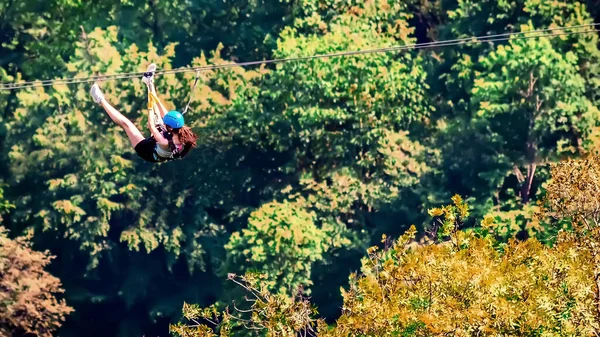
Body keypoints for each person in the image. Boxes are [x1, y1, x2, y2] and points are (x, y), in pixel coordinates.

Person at [89, 64, 197, 163]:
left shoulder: (165, 142)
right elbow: (164, 113)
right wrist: (155, 99)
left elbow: (151, 126)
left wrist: (150, 108)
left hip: (148, 152)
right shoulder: (180, 129)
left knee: (126, 124)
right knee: (158, 111)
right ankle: (149, 81)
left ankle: (99, 100)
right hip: (159, 143)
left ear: (171, 128)